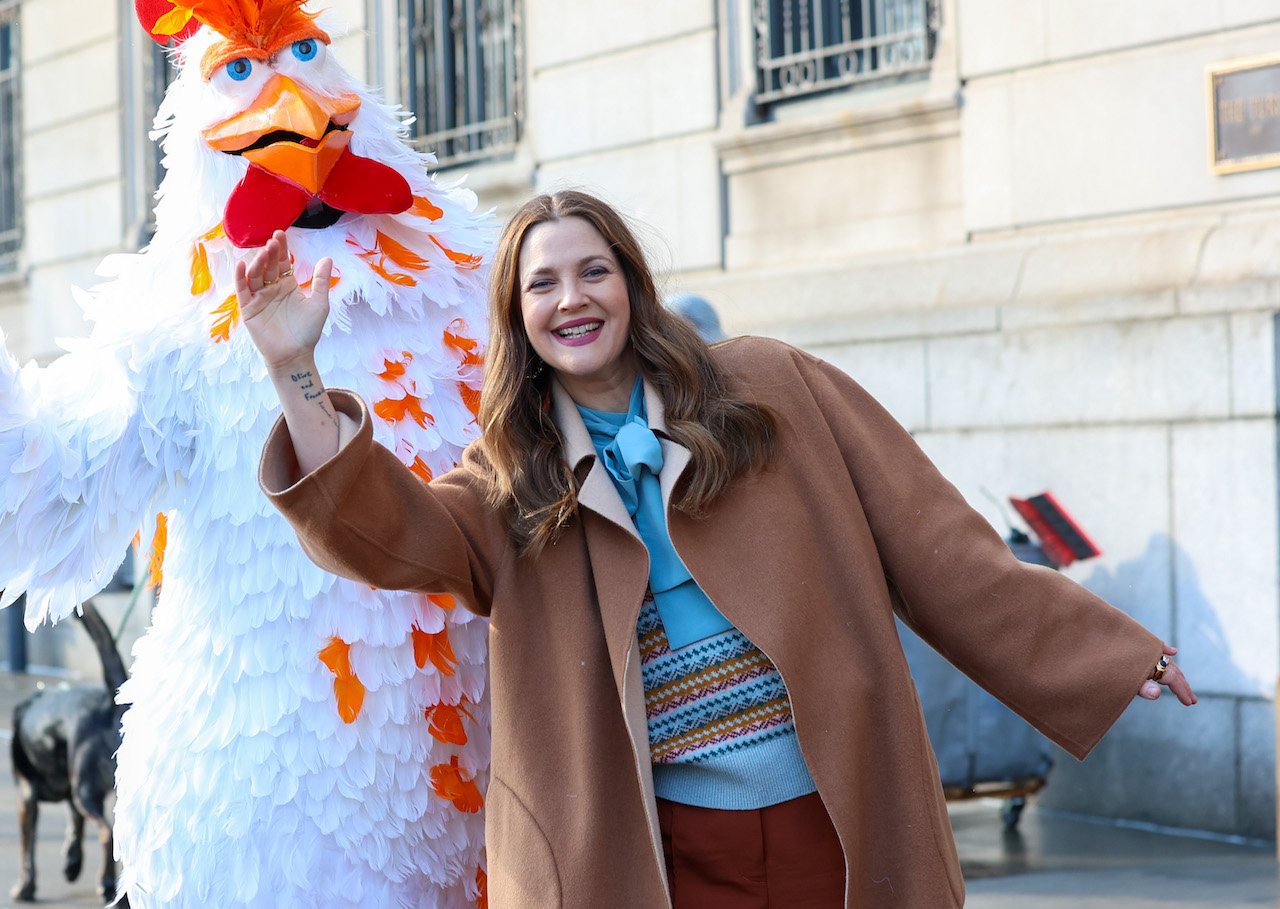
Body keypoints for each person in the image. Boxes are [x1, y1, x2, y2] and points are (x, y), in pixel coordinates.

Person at [238, 191, 1196, 909]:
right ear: (517, 317)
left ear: (632, 286)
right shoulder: (508, 480)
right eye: (542, 283)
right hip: (656, 855)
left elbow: (940, 543)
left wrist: (1103, 651)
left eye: (593, 271)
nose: (572, 299)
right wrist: (294, 369)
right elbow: (380, 528)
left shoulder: (773, 389)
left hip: (841, 821)